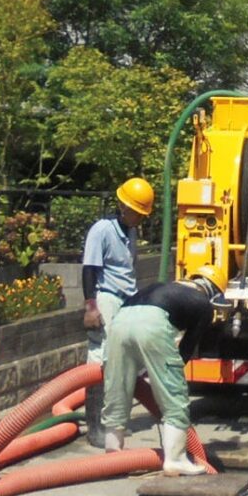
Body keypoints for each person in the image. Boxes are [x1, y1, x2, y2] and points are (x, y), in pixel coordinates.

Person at [103, 267, 221, 474]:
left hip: (120, 321)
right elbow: (187, 347)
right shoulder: (203, 305)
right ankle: (175, 460)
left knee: (117, 389)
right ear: (213, 292)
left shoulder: (163, 287)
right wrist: (164, 379)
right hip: (153, 324)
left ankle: (113, 454)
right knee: (174, 397)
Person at [81, 177, 154, 447]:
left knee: (123, 360)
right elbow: (89, 268)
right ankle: (96, 426)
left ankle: (113, 421)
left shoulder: (130, 234)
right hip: (106, 298)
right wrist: (91, 306)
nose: (140, 219)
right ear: (124, 207)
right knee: (101, 358)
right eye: (138, 212)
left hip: (125, 300)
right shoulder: (102, 230)